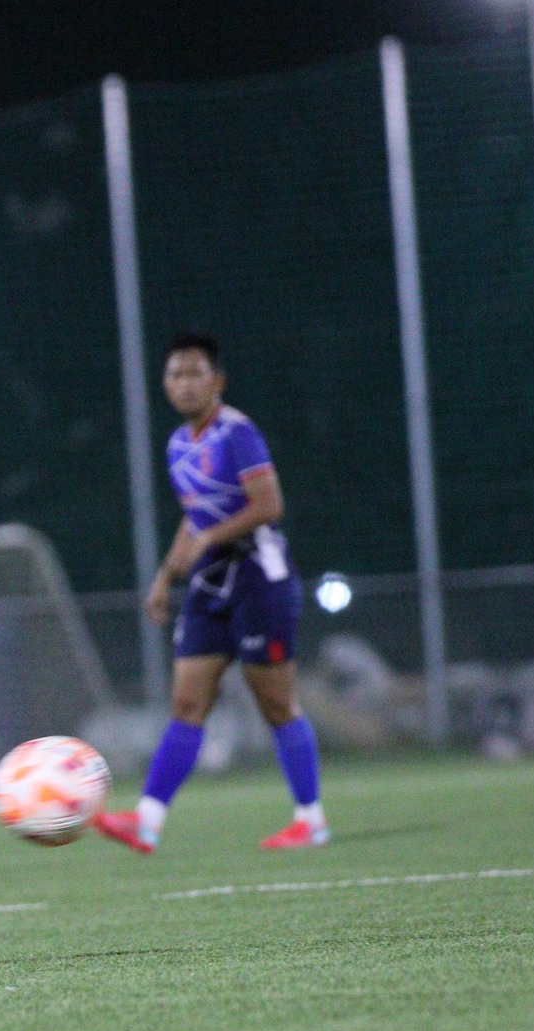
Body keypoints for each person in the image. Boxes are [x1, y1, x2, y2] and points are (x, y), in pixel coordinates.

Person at [93, 331, 328, 854]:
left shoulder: (236, 432)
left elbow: (268, 505)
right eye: (175, 374)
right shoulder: (179, 444)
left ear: (216, 381)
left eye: (195, 373)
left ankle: (310, 819)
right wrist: (165, 576)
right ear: (165, 384)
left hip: (258, 577)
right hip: (209, 581)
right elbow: (195, 519)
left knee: (276, 703)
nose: (184, 383)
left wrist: (209, 539)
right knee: (186, 702)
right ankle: (147, 820)